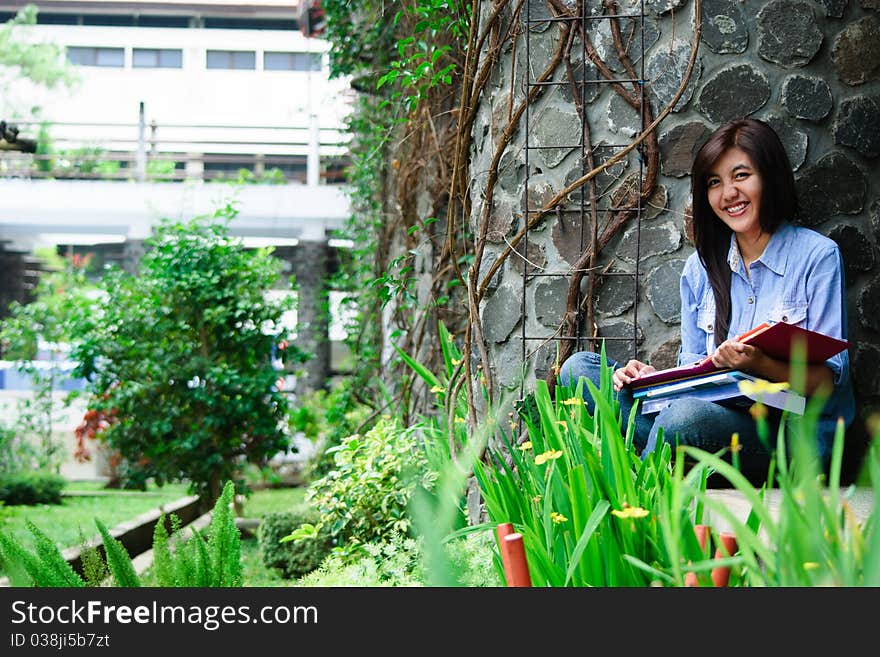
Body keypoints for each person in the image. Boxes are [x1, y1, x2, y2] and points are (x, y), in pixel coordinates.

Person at [558, 118, 855, 483]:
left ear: (770, 176)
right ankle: (656, 457)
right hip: (706, 417)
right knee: (580, 370)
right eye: (715, 183)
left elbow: (826, 384)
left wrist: (760, 362)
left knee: (682, 420)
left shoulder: (817, 257)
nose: (728, 193)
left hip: (788, 437)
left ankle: (636, 507)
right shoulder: (700, 268)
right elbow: (696, 372)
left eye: (741, 175)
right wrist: (652, 381)